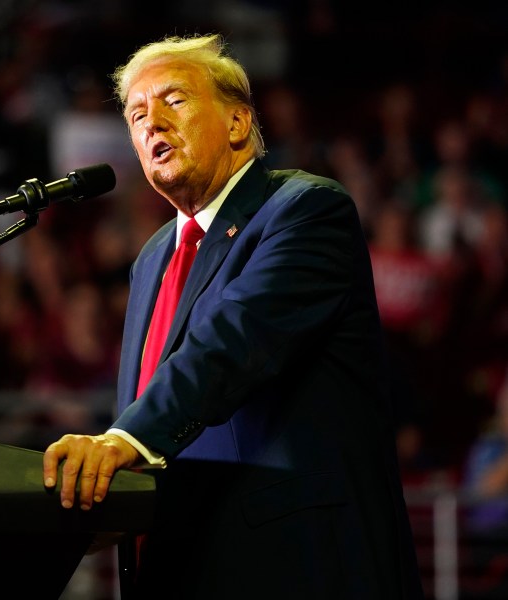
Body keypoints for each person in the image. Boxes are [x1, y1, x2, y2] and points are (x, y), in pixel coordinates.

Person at [42, 34, 424, 599]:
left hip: (294, 565)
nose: (152, 125)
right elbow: (154, 399)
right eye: (137, 114)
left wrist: (124, 441)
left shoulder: (303, 212)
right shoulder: (152, 260)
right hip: (177, 564)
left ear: (238, 123)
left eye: (173, 101)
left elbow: (232, 343)